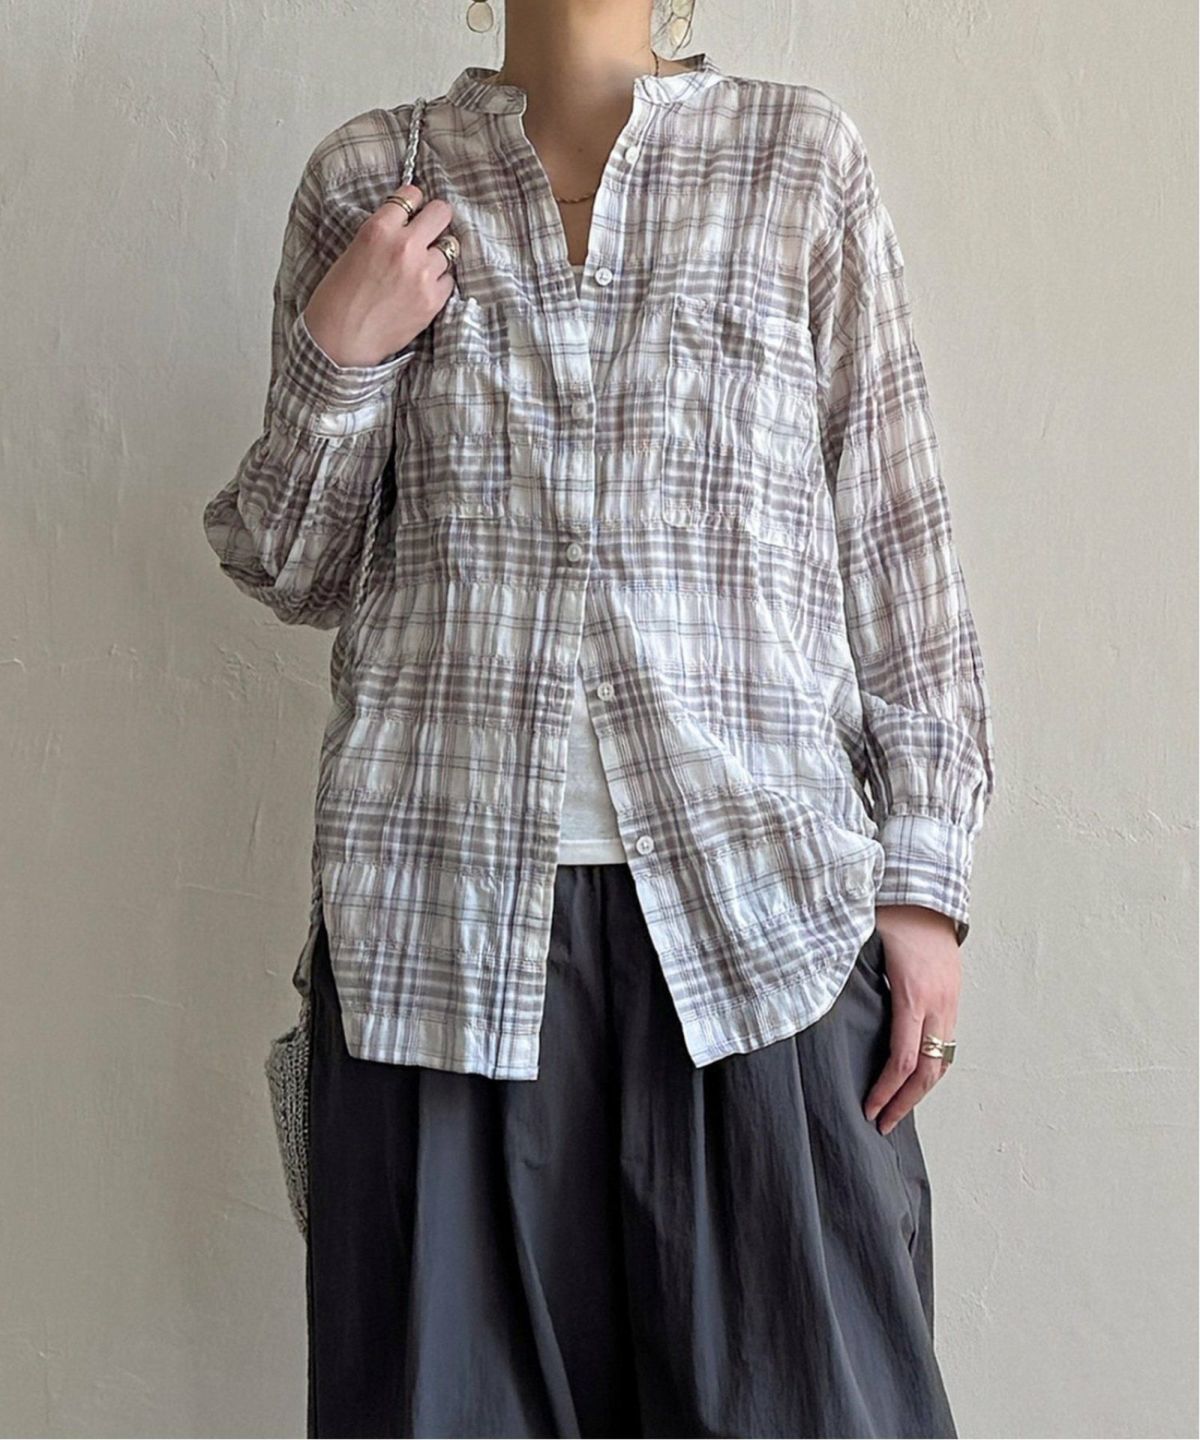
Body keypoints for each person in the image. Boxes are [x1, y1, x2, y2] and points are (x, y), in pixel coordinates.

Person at [202, 2, 997, 1435]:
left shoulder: (794, 161)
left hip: (763, 927)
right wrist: (342, 351)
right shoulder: (369, 180)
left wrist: (925, 886)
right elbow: (290, 567)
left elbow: (896, 540)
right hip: (438, 942)